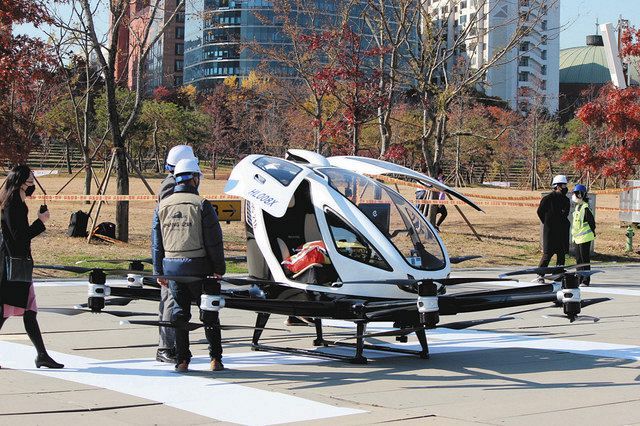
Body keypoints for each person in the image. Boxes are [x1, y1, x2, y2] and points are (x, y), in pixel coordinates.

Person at [152, 158, 226, 372]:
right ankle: (215, 359)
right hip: (200, 267)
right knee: (209, 313)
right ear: (194, 178)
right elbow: (214, 241)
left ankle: (182, 360)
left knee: (179, 314)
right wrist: (218, 269)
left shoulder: (162, 206)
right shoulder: (202, 205)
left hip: (173, 269)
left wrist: (159, 271)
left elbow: (157, 243)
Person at [0, 165, 63, 369]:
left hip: (15, 264)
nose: (33, 184)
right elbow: (19, 238)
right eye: (30, 180)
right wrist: (40, 222)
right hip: (13, 265)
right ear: (20, 182)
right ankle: (42, 355)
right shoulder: (13, 205)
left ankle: (42, 355)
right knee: (20, 309)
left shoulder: (16, 201)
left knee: (23, 310)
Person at [152, 145, 198, 364]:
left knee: (170, 301)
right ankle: (166, 347)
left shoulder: (167, 183)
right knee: (171, 301)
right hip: (174, 252)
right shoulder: (172, 187)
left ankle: (169, 345)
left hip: (169, 252)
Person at [537, 175, 571, 276]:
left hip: (562, 231)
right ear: (556, 186)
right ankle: (540, 274)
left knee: (561, 255)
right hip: (550, 231)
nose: (565, 187)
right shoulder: (547, 199)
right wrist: (547, 222)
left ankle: (558, 275)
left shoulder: (566, 200)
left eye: (565, 185)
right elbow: (540, 211)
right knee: (547, 254)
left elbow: (566, 214)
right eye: (563, 185)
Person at [571, 184, 596, 287]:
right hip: (577, 238)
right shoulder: (578, 207)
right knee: (578, 260)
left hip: (585, 238)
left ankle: (585, 280)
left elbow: (592, 224)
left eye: (575, 194)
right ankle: (579, 278)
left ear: (580, 195)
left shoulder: (585, 208)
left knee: (584, 260)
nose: (574, 196)